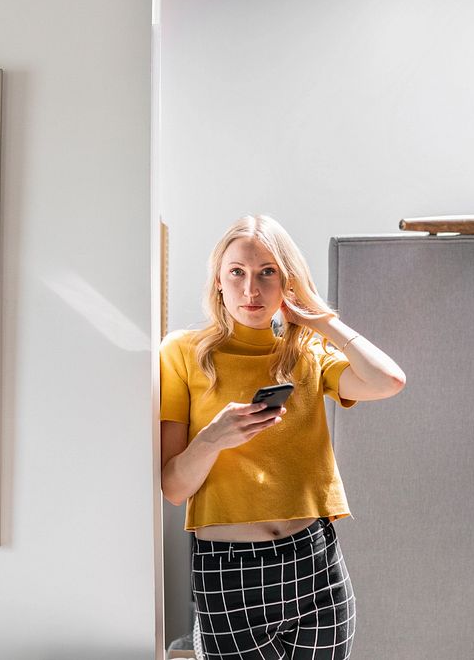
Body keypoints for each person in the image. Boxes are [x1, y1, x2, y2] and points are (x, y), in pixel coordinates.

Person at [160, 215, 406, 660]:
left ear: (286, 282)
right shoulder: (182, 353)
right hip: (229, 571)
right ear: (218, 279)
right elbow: (174, 488)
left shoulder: (307, 352)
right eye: (237, 272)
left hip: (314, 559)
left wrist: (320, 319)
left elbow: (389, 380)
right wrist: (213, 439)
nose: (251, 290)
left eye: (267, 273)